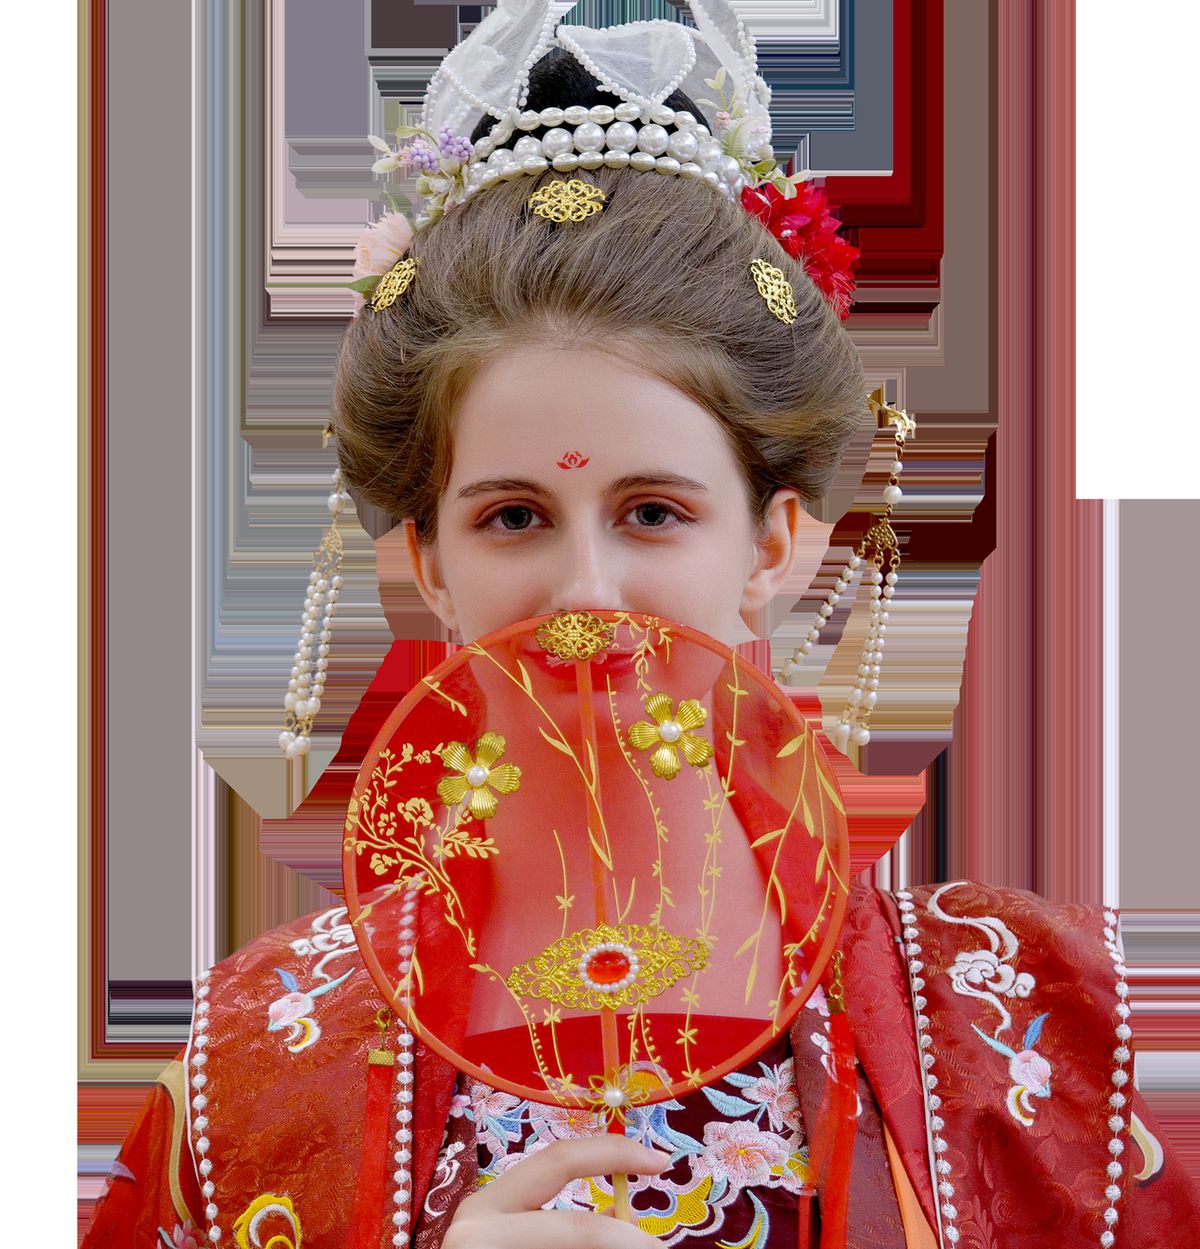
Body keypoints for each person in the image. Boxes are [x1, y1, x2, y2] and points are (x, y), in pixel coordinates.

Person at [83, 6, 1200, 1248]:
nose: (587, 596)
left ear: (774, 545)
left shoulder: (1019, 1017)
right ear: (429, 562)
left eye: (653, 512)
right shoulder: (255, 1057)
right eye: (513, 517)